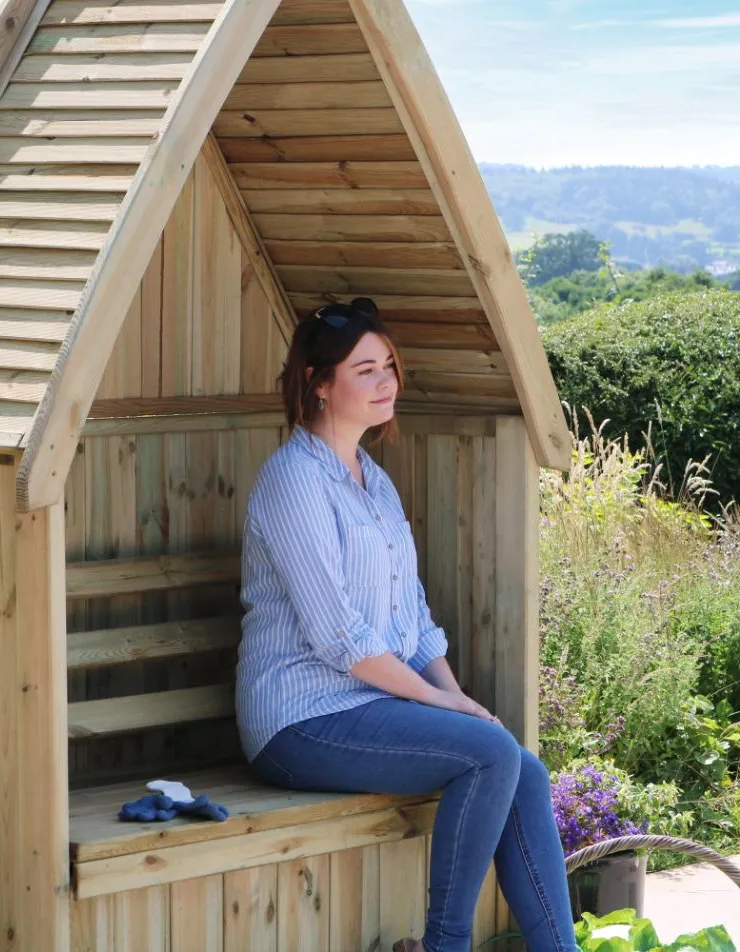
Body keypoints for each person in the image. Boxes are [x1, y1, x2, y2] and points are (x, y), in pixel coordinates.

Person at [235, 298, 578, 952]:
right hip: (299, 717)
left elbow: (411, 622)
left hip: (369, 704)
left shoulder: (376, 484)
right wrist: (442, 703)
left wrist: (461, 702)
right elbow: (340, 638)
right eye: (365, 370)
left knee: (520, 766)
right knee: (488, 756)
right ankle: (444, 945)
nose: (386, 381)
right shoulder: (292, 482)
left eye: (389, 365)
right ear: (317, 381)